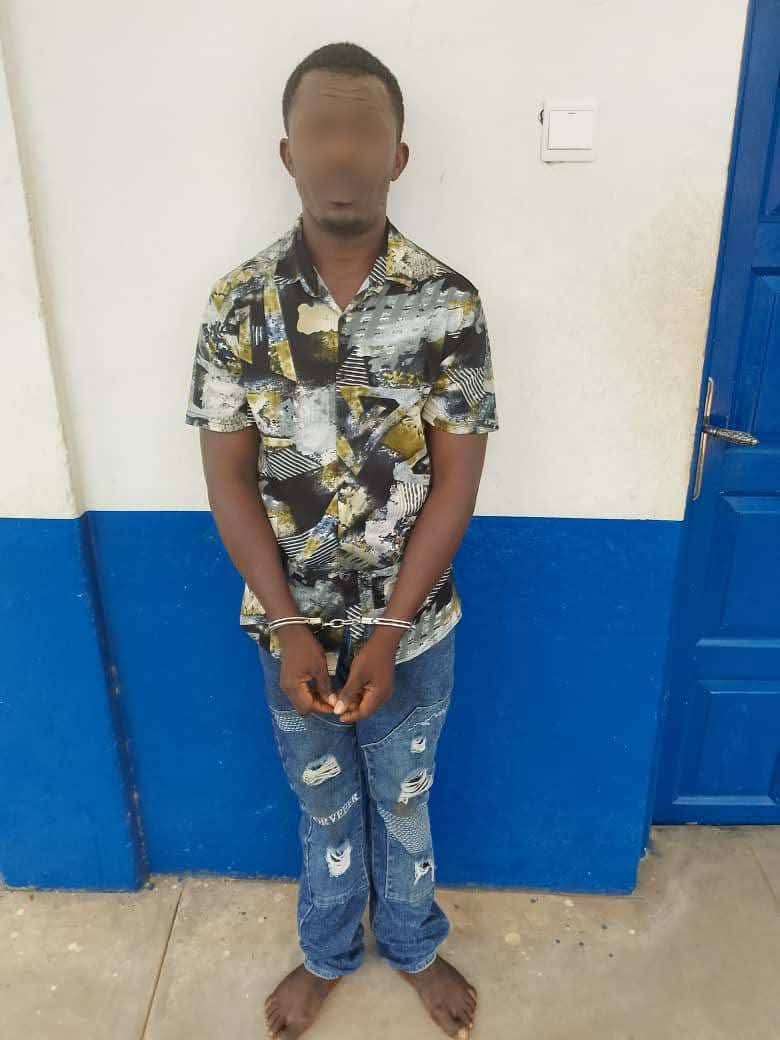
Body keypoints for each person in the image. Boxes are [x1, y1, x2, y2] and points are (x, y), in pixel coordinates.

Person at [185, 40, 500, 1040]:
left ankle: (411, 943)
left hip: (416, 628)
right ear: (288, 152)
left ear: (399, 155)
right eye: (321, 129)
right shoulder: (237, 305)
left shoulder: (449, 305)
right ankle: (327, 953)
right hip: (292, 633)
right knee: (322, 806)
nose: (344, 151)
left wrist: (391, 631)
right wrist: (289, 628)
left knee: (404, 801)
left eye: (366, 131)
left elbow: (456, 483)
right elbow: (228, 479)